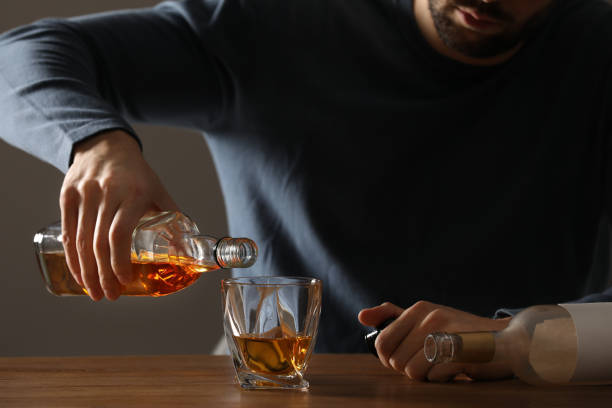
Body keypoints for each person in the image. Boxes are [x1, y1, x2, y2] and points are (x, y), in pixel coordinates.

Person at [1, 0, 612, 382]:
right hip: (275, 378)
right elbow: (17, 55)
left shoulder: (594, 50)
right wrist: (97, 146)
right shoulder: (270, 24)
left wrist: (512, 343)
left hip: (527, 381)